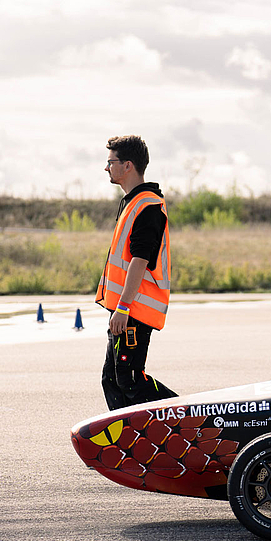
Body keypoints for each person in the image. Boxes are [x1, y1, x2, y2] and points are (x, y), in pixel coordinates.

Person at [96, 135, 177, 410]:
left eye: (111, 162)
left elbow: (140, 260)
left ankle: (188, 417)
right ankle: (128, 443)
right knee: (112, 380)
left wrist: (124, 307)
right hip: (125, 308)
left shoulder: (148, 206)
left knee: (130, 379)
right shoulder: (133, 202)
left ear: (128, 165)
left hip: (134, 309)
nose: (106, 168)